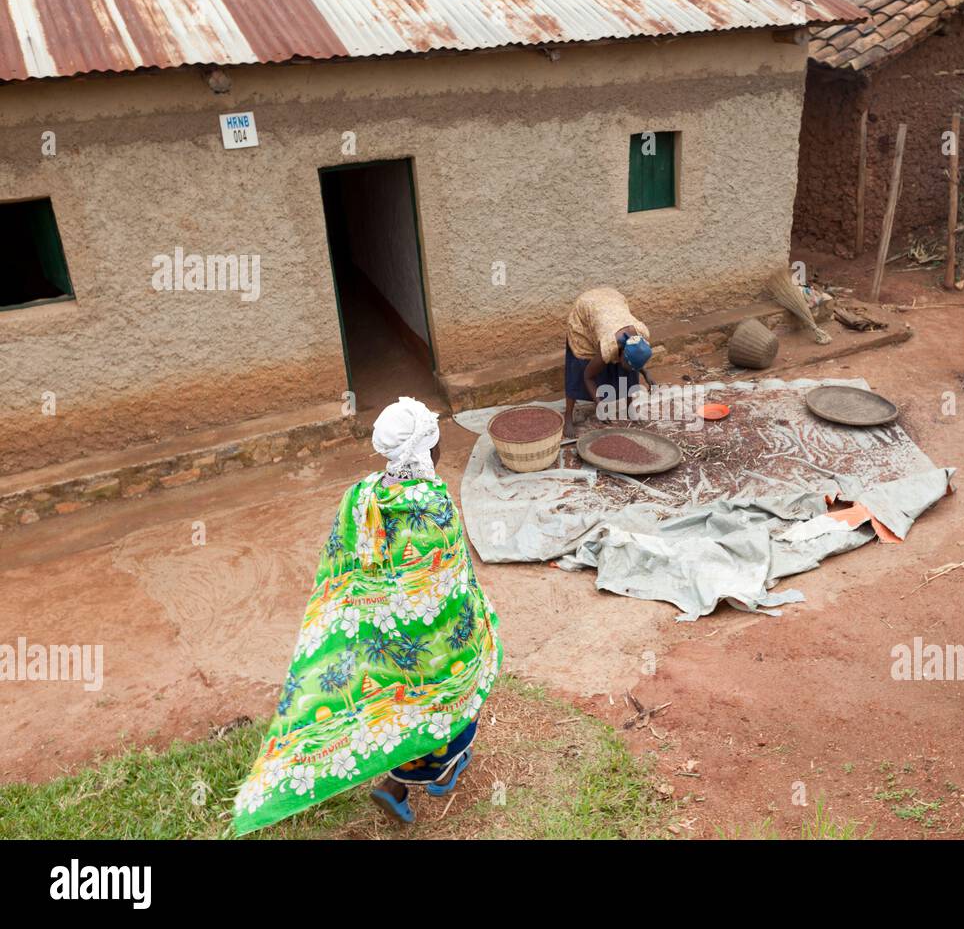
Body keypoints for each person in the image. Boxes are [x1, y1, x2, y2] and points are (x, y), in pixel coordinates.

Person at [232, 397, 501, 834]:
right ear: (425, 452)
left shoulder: (361, 497)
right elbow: (451, 578)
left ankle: (395, 787)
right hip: (434, 642)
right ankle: (443, 772)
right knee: (447, 696)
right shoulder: (434, 503)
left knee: (397, 710)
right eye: (436, 441)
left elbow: (344, 564)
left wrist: (369, 618)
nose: (439, 448)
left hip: (380, 637)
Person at [563, 286, 654, 438]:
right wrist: (600, 405)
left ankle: (630, 408)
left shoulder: (641, 335)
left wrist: (646, 373)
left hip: (612, 301)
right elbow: (588, 377)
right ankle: (568, 417)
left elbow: (635, 360)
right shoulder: (609, 345)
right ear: (621, 353)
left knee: (628, 372)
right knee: (579, 366)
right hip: (586, 310)